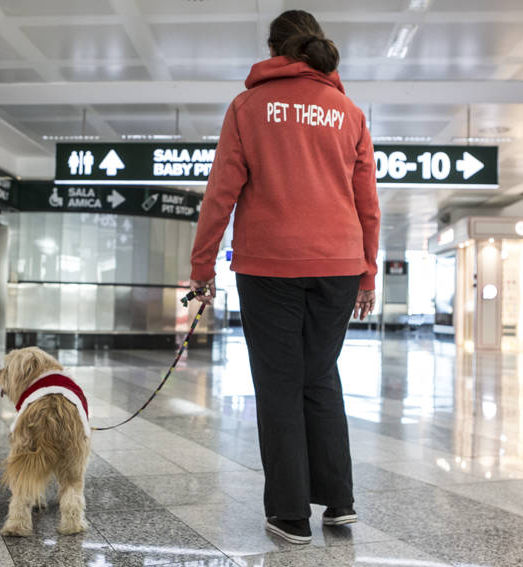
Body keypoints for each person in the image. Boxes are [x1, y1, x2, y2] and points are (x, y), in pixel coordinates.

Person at [188, 10, 380, 544]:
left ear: (274, 50)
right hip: (340, 267)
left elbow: (220, 194)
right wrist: (367, 275)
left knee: (278, 384)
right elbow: (368, 203)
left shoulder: (248, 107)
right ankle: (339, 503)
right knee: (319, 376)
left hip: (269, 266)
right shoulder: (349, 113)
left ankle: (291, 514)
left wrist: (202, 268)